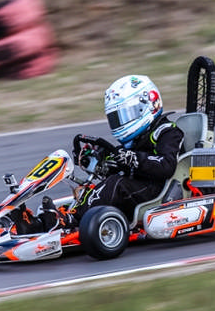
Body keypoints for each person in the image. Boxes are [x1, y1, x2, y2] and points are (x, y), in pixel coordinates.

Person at [74, 74, 184, 222]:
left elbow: (166, 165)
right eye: (116, 118)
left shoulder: (168, 132)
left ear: (148, 105)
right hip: (141, 187)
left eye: (126, 114)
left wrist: (134, 158)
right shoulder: (138, 139)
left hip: (159, 190)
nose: (120, 122)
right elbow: (123, 159)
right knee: (103, 184)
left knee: (117, 183)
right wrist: (101, 158)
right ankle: (52, 218)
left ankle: (72, 219)